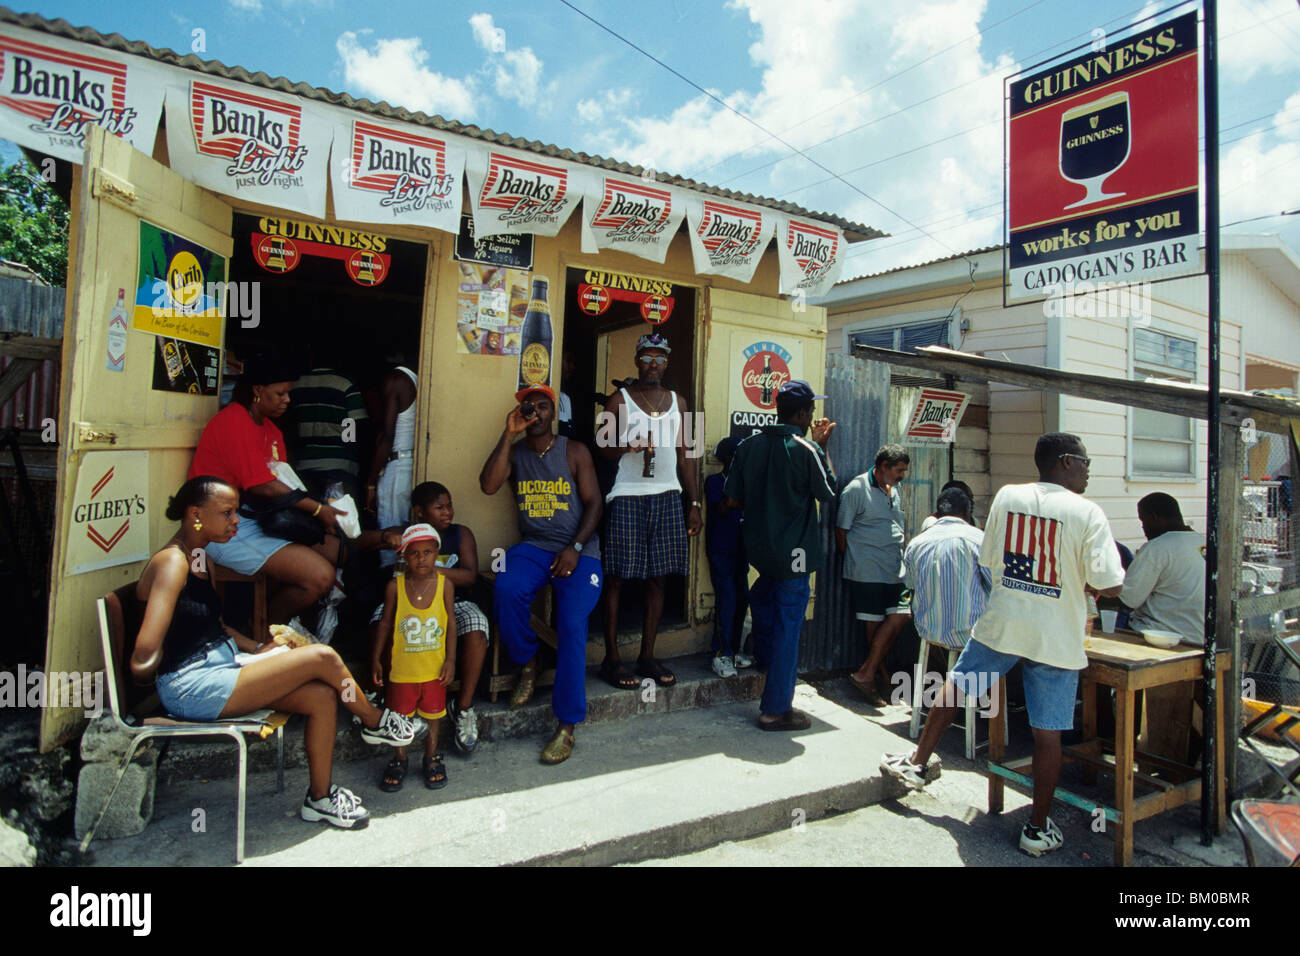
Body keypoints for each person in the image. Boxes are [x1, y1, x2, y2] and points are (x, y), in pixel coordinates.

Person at [881, 433, 1125, 858]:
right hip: (1055, 634)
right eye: (1085, 462)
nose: (1088, 470)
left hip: (1004, 622)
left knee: (957, 686)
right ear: (1066, 462)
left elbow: (992, 561)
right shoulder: (1088, 512)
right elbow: (1110, 582)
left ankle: (918, 764)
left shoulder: (1008, 497)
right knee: (1047, 732)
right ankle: (1036, 828)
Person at [133, 477, 418, 830]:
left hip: (221, 668)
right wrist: (146, 699)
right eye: (227, 513)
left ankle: (320, 798)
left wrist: (259, 649)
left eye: (236, 511)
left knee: (320, 697)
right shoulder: (172, 563)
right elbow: (144, 652)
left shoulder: (198, 558)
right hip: (192, 686)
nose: (236, 520)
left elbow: (215, 628)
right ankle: (374, 721)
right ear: (195, 515)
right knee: (323, 657)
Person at [479, 384, 603, 764]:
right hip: (533, 546)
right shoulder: (515, 453)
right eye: (528, 407)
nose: (535, 412)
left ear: (555, 413)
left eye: (543, 406)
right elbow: (487, 486)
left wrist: (576, 548)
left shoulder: (575, 451)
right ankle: (529, 663)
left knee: (570, 624)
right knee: (506, 587)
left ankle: (567, 724)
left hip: (580, 550)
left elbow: (595, 503)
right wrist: (508, 433)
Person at [189, 353, 345, 627]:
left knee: (332, 548)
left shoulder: (271, 430)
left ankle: (262, 620)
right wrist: (318, 510)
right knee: (320, 577)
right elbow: (261, 485)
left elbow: (283, 481)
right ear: (258, 391)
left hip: (250, 518)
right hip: (220, 528)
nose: (287, 400)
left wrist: (322, 512)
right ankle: (269, 632)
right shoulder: (233, 421)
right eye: (280, 393)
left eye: (288, 394)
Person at [723, 380, 837, 730]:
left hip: (761, 549)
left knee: (765, 604)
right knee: (789, 625)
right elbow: (830, 491)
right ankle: (775, 708)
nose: (813, 416)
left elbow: (732, 499)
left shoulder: (749, 445)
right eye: (811, 411)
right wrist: (822, 447)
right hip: (796, 553)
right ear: (802, 414)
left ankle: (763, 663)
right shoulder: (807, 450)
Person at [597, 332, 702, 690]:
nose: (654, 364)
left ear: (667, 363)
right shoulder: (618, 400)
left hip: (669, 495)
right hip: (627, 495)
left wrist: (695, 502)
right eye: (647, 357)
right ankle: (611, 659)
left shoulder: (682, 403)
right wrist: (628, 445)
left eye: (660, 358)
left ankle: (647, 655)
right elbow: (601, 448)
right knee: (617, 577)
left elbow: (689, 454)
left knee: (659, 577)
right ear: (637, 360)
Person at [371, 524, 456, 792]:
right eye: (414, 553)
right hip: (402, 671)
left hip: (434, 671)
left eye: (427, 552)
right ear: (404, 556)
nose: (421, 559)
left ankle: (431, 757)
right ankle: (400, 759)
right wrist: (376, 659)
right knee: (400, 718)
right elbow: (385, 624)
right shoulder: (394, 587)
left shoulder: (445, 585)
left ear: (437, 553)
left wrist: (451, 660)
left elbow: (451, 624)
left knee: (433, 717)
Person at [414, 481, 490, 755]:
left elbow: (469, 575)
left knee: (478, 627)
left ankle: (464, 708)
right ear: (420, 512)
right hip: (414, 606)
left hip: (455, 603)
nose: (448, 512)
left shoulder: (461, 534)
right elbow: (365, 541)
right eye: (439, 508)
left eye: (449, 506)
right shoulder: (410, 534)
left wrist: (427, 570)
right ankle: (392, 703)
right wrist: (384, 539)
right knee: (381, 619)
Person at [838, 444, 912, 706]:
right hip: (867, 569)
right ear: (883, 467)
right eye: (899, 470)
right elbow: (842, 531)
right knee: (873, 625)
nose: (903, 475)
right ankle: (879, 677)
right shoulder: (857, 489)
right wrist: (855, 560)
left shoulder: (896, 488)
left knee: (902, 615)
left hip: (894, 567)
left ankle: (867, 673)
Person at [1119, 493, 1205, 643]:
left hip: (1161, 636)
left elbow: (1128, 599)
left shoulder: (1157, 547)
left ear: (1154, 517)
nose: (1143, 528)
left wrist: (1096, 593)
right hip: (1199, 638)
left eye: (1143, 521)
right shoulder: (1203, 542)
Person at [289, 353, 370, 504]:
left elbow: (290, 425)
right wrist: (347, 447)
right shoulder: (345, 383)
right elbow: (354, 423)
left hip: (304, 465)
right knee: (343, 520)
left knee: (310, 520)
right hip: (339, 465)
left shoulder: (297, 384)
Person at [365, 360, 419, 569]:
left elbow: (387, 436)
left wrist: (370, 483)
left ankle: (390, 594)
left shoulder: (395, 379)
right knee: (405, 536)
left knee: (390, 540)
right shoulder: (415, 377)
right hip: (410, 464)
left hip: (397, 468)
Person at [705, 437, 752, 677]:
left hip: (741, 550)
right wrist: (738, 496)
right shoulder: (714, 482)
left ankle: (733, 651)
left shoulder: (748, 483)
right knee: (728, 599)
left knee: (742, 598)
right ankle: (721, 654)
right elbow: (724, 506)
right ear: (729, 459)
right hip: (721, 550)